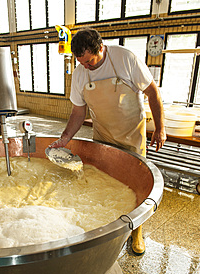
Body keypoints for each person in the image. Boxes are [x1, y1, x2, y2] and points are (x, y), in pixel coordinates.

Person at [50, 27, 166, 255]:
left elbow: (153, 92)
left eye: (90, 61)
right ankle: (107, 227)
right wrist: (64, 138)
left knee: (136, 185)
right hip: (103, 135)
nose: (87, 67)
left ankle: (137, 231)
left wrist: (160, 128)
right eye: (82, 63)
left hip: (131, 134)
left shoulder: (125, 59)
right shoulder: (80, 73)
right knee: (102, 182)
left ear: (101, 48)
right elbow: (78, 112)